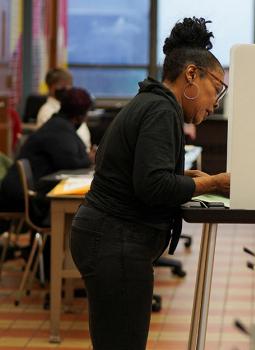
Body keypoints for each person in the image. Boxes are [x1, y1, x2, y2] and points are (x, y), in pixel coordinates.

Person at [70, 17, 230, 349]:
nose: (215, 102)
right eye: (216, 87)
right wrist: (213, 182)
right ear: (191, 74)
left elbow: (138, 171)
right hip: (116, 241)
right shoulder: (161, 110)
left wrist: (187, 177)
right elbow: (153, 186)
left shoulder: (153, 102)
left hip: (110, 239)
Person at [0, 87, 94, 223]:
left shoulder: (59, 125)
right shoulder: (59, 129)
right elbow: (71, 163)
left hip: (26, 192)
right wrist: (90, 158)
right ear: (80, 116)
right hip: (23, 198)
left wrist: (87, 157)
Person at [37, 68, 92, 151]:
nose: (68, 89)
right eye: (64, 86)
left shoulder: (69, 107)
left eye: (70, 85)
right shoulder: (47, 111)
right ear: (52, 87)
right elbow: (59, 144)